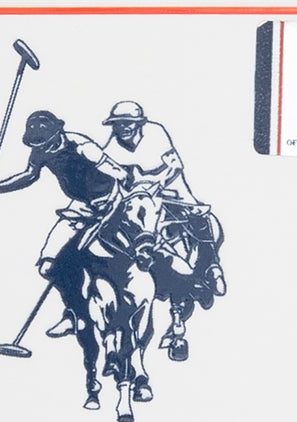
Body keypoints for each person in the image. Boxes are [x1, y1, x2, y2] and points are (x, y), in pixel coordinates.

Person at [0, 109, 122, 339]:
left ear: (58, 133)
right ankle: (75, 314)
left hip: (111, 202)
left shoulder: (80, 145)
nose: (43, 149)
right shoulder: (40, 151)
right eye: (38, 145)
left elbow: (113, 169)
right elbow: (30, 175)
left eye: (47, 143)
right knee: (48, 267)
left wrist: (122, 193)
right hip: (80, 208)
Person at [97, 98, 227, 322]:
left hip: (169, 185)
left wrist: (157, 183)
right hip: (138, 196)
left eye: (128, 122)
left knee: (198, 214)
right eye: (118, 123)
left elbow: (175, 166)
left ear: (139, 123)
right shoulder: (112, 146)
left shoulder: (156, 133)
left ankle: (212, 267)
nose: (123, 127)